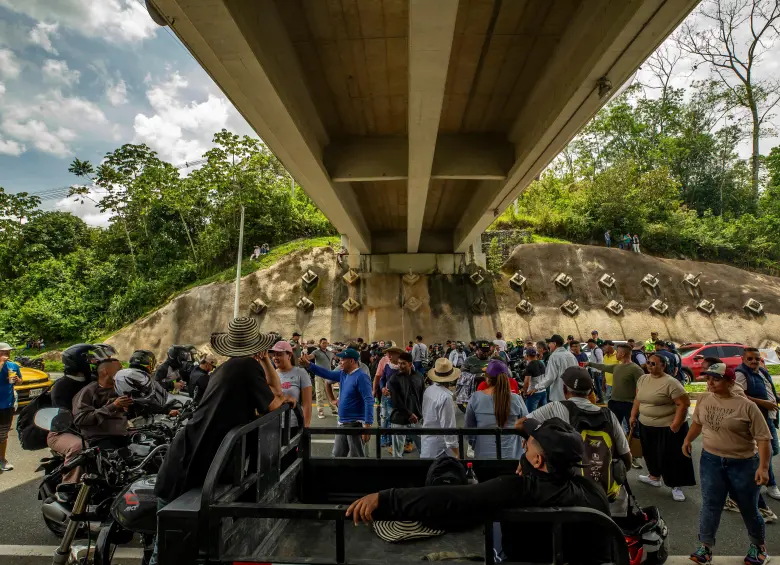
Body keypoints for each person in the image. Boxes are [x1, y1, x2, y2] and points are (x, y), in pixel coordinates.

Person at [345, 418, 613, 565]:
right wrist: (528, 434)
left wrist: (385, 497)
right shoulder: (592, 488)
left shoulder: (518, 488)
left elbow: (452, 499)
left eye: (528, 445)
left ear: (538, 461)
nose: (524, 447)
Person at [152, 318, 293, 564]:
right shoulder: (245, 368)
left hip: (190, 460)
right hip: (190, 468)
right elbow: (274, 401)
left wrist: (265, 361)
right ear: (255, 345)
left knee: (171, 550)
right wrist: (283, 400)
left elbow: (275, 389)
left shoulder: (234, 367)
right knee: (165, 552)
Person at [685, 363, 772, 565]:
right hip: (711, 460)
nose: (710, 383)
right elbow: (697, 422)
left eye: (716, 379)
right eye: (708, 378)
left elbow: (763, 439)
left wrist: (764, 467)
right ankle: (705, 548)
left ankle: (759, 548)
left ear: (730, 382)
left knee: (748, 507)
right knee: (710, 505)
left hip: (743, 463)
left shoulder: (746, 406)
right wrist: (687, 440)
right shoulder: (704, 399)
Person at [519, 366, 633, 499]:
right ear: (590, 391)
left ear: (564, 389)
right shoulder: (608, 415)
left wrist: (533, 438)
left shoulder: (555, 407)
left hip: (570, 491)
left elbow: (520, 424)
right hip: (605, 493)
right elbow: (626, 457)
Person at [630, 353, 695, 501]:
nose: (650, 366)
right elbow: (637, 400)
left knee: (671, 457)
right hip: (646, 424)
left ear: (663, 366)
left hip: (668, 427)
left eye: (654, 363)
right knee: (650, 453)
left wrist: (676, 424)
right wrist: (633, 416)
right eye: (648, 363)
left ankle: (676, 485)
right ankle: (654, 477)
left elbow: (684, 404)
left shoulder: (671, 382)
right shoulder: (643, 379)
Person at [299, 348, 374, 457]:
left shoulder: (361, 377)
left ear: (352, 361)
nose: (340, 362)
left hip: (355, 424)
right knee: (337, 455)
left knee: (356, 457)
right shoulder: (343, 374)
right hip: (342, 422)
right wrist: (309, 365)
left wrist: (367, 426)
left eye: (343, 359)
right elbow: (326, 374)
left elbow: (369, 400)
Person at [734, 347, 780, 501]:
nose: (754, 361)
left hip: (769, 415)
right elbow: (740, 397)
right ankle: (769, 484)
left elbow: (768, 388)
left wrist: (774, 399)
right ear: (743, 359)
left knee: (770, 450)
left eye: (757, 358)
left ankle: (756, 479)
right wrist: (764, 403)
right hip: (758, 417)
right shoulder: (741, 373)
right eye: (750, 359)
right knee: (766, 452)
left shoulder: (760, 370)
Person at [465, 359, 526, 459]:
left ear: (488, 379)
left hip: (483, 457)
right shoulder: (516, 399)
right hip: (512, 456)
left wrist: (476, 444)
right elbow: (525, 424)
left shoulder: (476, 398)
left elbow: (469, 429)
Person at [72, 358, 130, 450]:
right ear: (104, 372)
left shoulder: (121, 389)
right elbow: (80, 420)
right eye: (118, 370)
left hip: (124, 436)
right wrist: (113, 406)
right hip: (99, 439)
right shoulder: (89, 391)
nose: (121, 373)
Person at [269, 341, 312, 432]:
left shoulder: (300, 373)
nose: (275, 358)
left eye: (279, 354)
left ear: (289, 355)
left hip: (294, 425)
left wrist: (305, 427)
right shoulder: (272, 375)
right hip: (274, 426)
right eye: (274, 355)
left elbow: (307, 403)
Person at [421, 358, 460, 459]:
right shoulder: (446, 398)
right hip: (441, 449)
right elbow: (448, 429)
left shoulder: (429, 390)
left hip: (427, 442)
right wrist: (456, 454)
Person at [387, 352, 424, 457]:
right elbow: (396, 401)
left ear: (410, 364)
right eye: (399, 363)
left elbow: (422, 397)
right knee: (397, 453)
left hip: (417, 418)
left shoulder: (419, 377)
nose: (400, 366)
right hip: (399, 419)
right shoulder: (394, 379)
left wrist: (421, 413)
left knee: (425, 450)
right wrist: (409, 414)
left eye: (403, 363)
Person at [532, 334, 578, 402]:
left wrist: (536, 387)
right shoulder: (571, 355)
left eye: (549, 343)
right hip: (572, 394)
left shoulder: (554, 356)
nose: (548, 345)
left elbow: (550, 377)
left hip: (559, 395)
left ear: (554, 343)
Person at [0, 342, 21, 472]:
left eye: (8, 352)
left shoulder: (13, 366)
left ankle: (2, 459)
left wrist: (18, 380)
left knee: (3, 435)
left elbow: (20, 380)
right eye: (3, 352)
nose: (6, 354)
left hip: (7, 405)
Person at [309, 338, 337, 419]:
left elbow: (336, 358)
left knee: (330, 392)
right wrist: (306, 357)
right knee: (319, 392)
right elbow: (310, 357)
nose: (325, 344)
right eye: (323, 343)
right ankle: (320, 410)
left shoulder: (330, 352)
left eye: (326, 343)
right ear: (320, 344)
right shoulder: (316, 352)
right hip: (319, 375)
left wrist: (339, 352)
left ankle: (333, 409)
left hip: (328, 375)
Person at [521, 347, 547, 412]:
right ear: (535, 355)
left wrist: (524, 392)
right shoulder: (542, 363)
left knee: (530, 415)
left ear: (527, 356)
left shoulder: (530, 365)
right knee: (544, 413)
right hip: (543, 391)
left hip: (533, 393)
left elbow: (526, 382)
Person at [586, 338, 604, 402]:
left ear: (592, 343)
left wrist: (599, 370)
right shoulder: (593, 350)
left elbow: (601, 361)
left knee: (598, 386)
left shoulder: (597, 350)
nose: (587, 345)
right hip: (594, 370)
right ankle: (599, 398)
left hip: (597, 371)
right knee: (596, 386)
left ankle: (601, 399)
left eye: (588, 343)